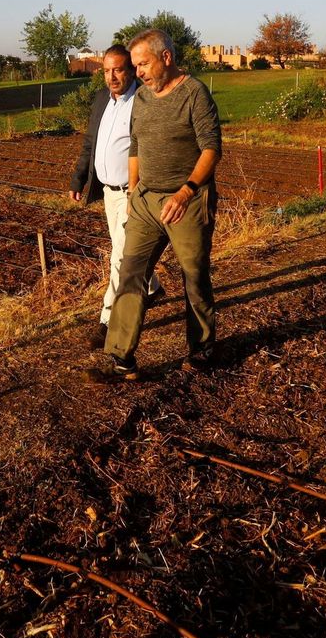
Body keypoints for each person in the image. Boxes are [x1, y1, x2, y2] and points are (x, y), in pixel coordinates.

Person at [95, 28, 222, 381]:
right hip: (147, 200)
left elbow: (212, 149)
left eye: (143, 64)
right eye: (135, 66)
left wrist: (186, 193)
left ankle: (202, 348)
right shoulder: (143, 100)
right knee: (130, 272)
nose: (139, 73)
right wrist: (135, 190)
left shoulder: (195, 94)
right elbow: (135, 145)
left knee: (194, 276)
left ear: (166, 57)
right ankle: (121, 357)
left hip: (187, 200)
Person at [68, 44, 160, 349]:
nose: (112, 76)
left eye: (118, 69)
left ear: (131, 70)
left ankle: (108, 321)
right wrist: (79, 178)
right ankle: (151, 287)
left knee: (119, 258)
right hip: (108, 193)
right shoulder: (100, 101)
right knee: (122, 252)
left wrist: (142, 190)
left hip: (132, 194)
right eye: (107, 70)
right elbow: (89, 143)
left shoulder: (143, 101)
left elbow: (149, 148)